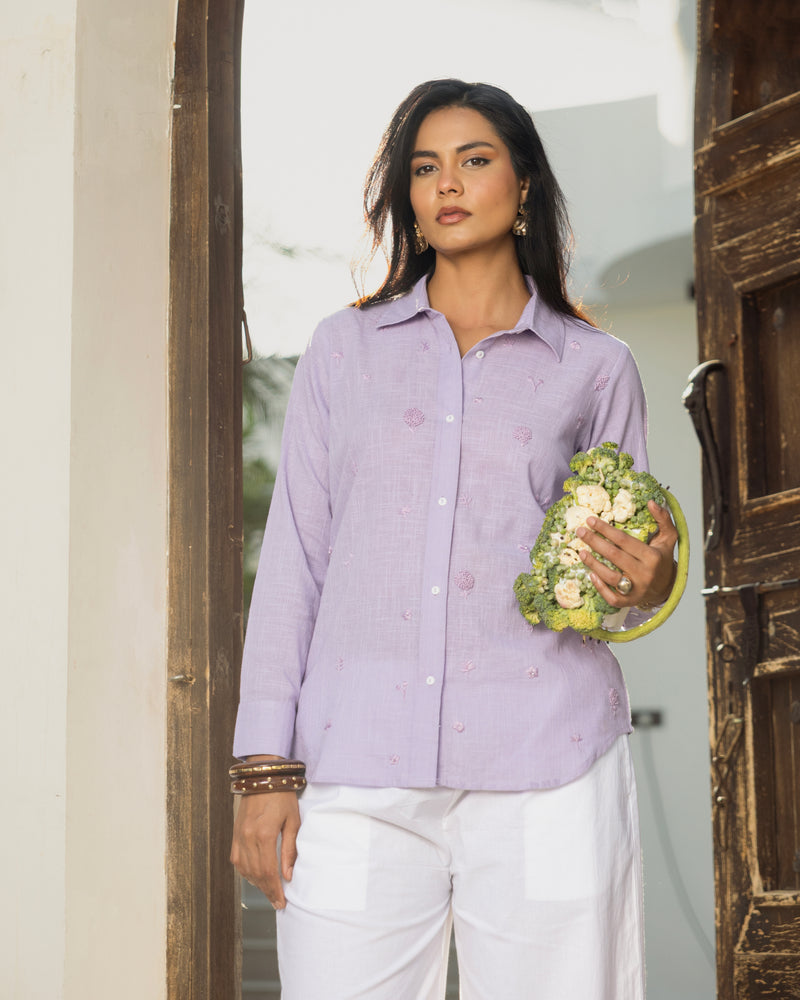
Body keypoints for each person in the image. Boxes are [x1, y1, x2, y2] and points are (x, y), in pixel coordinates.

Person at [231, 78, 677, 999]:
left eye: (476, 161)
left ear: (523, 186)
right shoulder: (342, 352)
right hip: (358, 775)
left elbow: (613, 576)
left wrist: (651, 581)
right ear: (405, 195)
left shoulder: (596, 369)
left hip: (548, 768)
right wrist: (261, 772)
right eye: (425, 167)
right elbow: (293, 568)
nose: (449, 184)